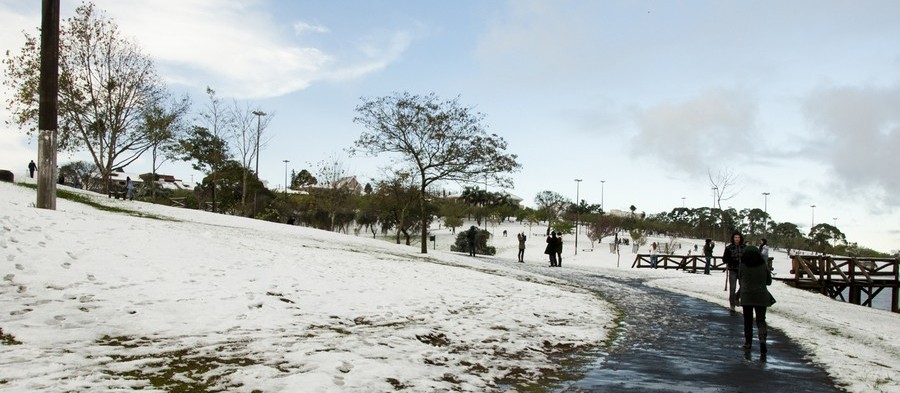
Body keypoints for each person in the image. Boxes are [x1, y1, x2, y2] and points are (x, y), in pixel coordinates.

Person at [738, 245, 774, 353]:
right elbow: (769, 281)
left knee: (747, 320)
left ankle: (748, 343)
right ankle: (762, 339)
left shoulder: (742, 265)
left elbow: (740, 279)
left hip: (747, 296)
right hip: (761, 296)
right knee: (761, 320)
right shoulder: (763, 265)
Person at [723, 231, 746, 311]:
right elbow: (724, 259)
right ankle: (732, 304)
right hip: (733, 269)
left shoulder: (744, 247)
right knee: (732, 288)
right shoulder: (729, 248)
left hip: (742, 270)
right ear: (733, 238)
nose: (737, 239)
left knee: (743, 287)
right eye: (735, 237)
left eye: (738, 237)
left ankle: (737, 297)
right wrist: (731, 260)